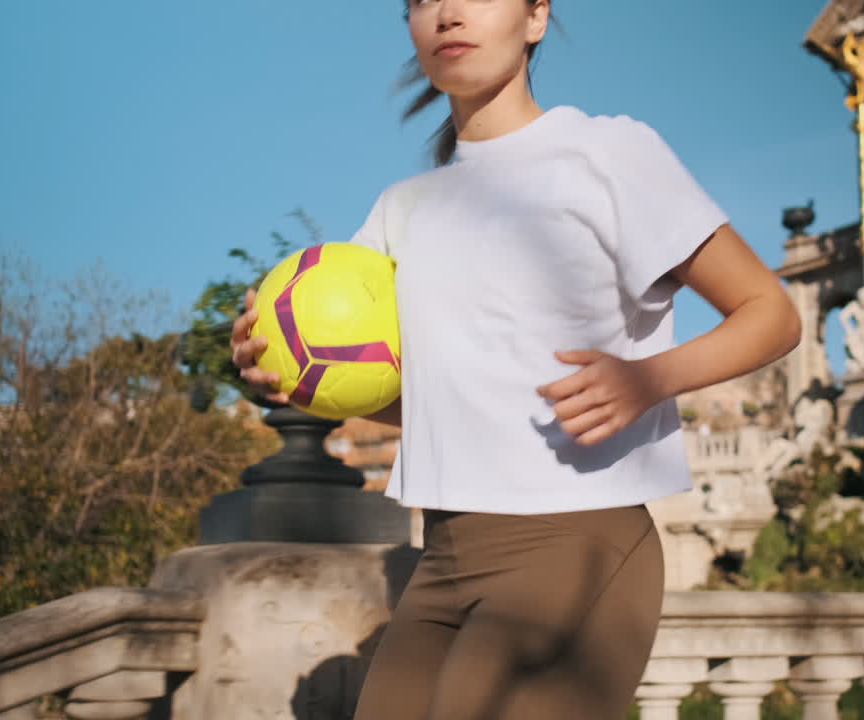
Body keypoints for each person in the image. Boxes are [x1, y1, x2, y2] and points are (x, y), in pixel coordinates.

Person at [229, 1, 801, 718]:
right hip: (442, 556)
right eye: (423, 0)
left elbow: (771, 314)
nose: (446, 14)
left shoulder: (608, 154)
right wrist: (281, 373)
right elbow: (429, 403)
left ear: (536, 18)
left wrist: (646, 379)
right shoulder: (401, 210)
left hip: (577, 542)